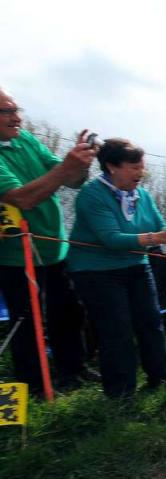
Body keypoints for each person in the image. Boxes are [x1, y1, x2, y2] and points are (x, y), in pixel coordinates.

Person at [68, 139, 166, 397]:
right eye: (134, 167)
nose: (141, 173)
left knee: (151, 322)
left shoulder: (143, 195)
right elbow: (112, 239)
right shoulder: (92, 195)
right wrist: (155, 238)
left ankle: (160, 382)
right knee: (116, 330)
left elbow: (158, 226)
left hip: (137, 266)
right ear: (111, 167)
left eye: (142, 167)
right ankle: (121, 394)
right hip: (97, 271)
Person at [0, 88, 94, 395]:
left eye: (17, 110)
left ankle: (73, 371)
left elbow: (70, 180)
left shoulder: (25, 139)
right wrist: (66, 168)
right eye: (7, 112)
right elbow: (23, 199)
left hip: (56, 248)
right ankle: (34, 387)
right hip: (17, 257)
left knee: (69, 312)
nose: (16, 117)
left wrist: (81, 163)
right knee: (27, 324)